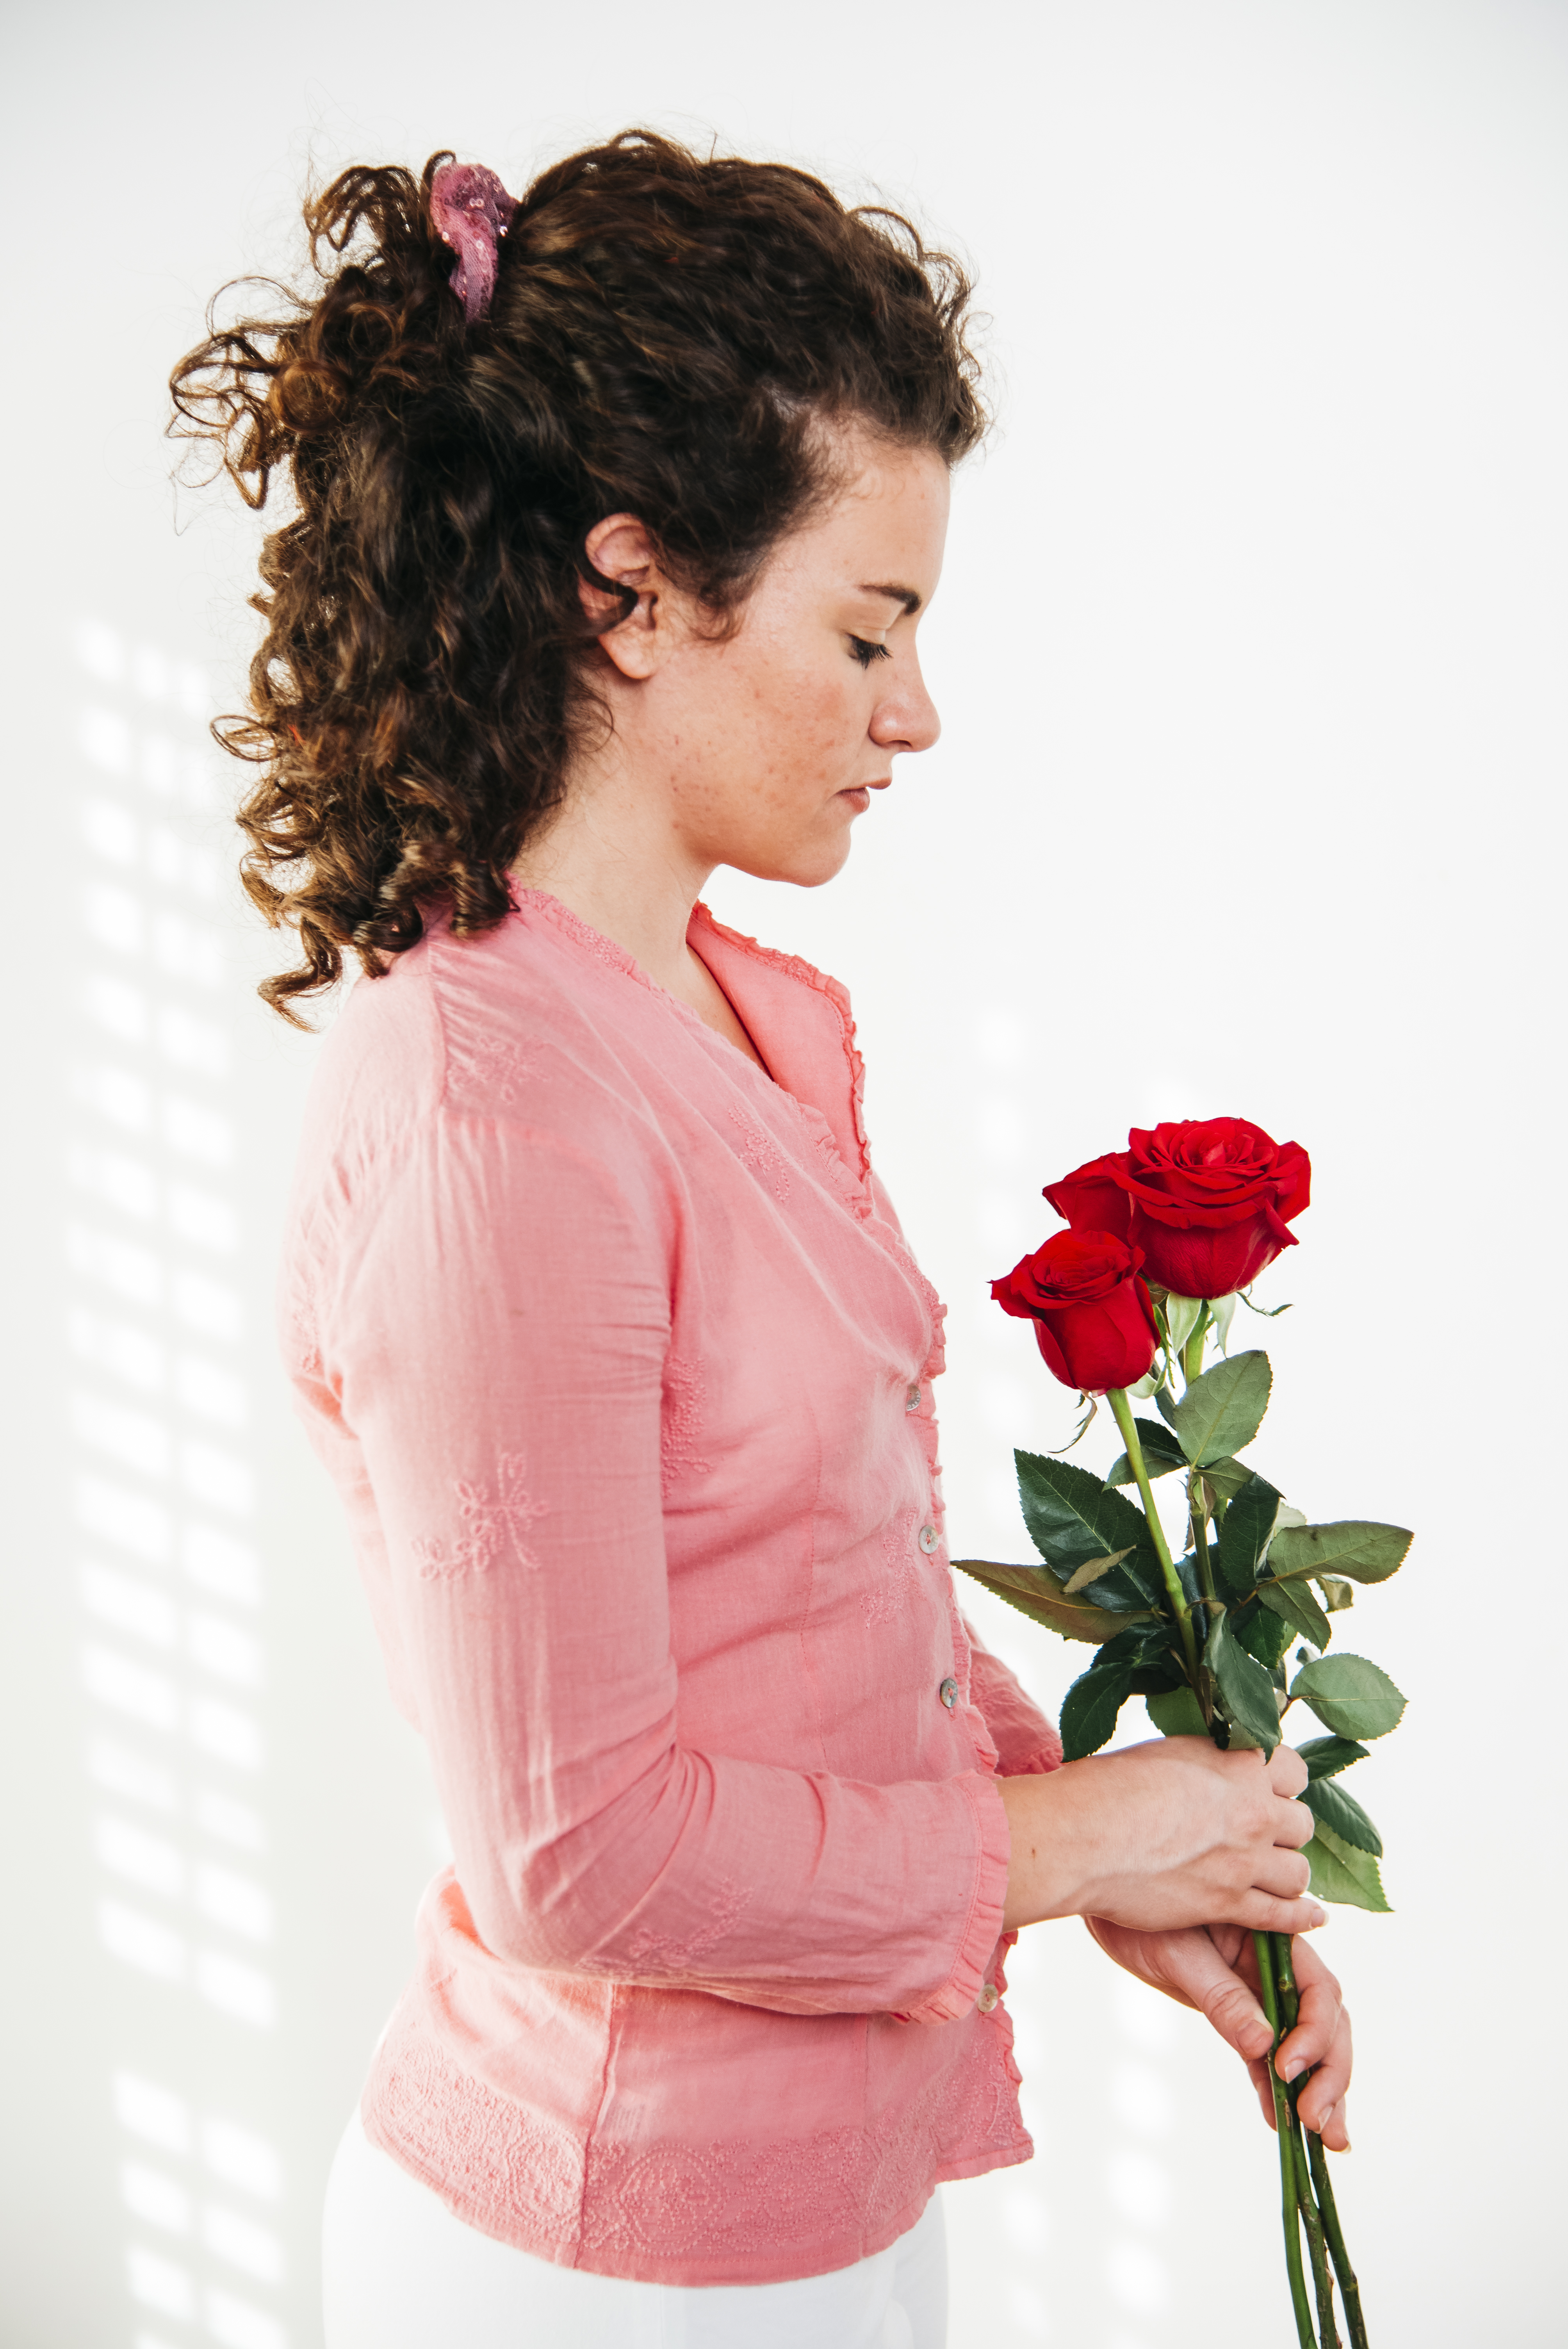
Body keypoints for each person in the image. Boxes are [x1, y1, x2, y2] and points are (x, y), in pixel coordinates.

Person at [171, 132, 1352, 2349]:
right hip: (592, 2268)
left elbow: (825, 1589)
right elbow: (580, 1853)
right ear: (626, 593)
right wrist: (1087, 1842)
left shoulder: (740, 1019)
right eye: (869, 629)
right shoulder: (488, 1115)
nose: (916, 713)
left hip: (833, 2196)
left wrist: (1127, 1862)